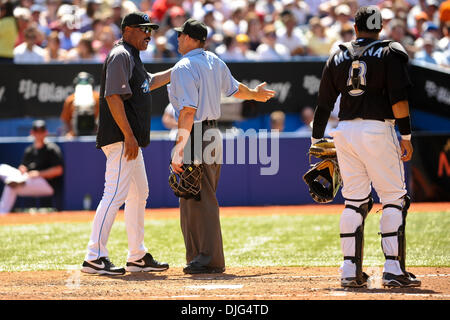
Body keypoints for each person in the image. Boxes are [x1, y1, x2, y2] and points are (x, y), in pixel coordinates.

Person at [311, 6, 421, 289]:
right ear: (380, 27)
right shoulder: (390, 51)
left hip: (344, 131)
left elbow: (323, 104)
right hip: (377, 128)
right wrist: (406, 135)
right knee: (395, 198)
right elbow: (398, 97)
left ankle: (349, 271)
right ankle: (394, 270)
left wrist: (315, 140)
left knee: (354, 201)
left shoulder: (337, 54)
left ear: (355, 27)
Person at [168, 18, 275, 274]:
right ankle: (197, 256)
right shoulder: (214, 60)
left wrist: (179, 147)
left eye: (182, 35)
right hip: (213, 133)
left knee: (200, 196)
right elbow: (234, 89)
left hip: (196, 132)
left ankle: (209, 258)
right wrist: (254, 94)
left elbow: (187, 111)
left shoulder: (184, 66)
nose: (179, 39)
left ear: (193, 39)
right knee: (191, 195)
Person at [81, 11, 173, 276]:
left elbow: (148, 83)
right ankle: (94, 257)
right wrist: (129, 135)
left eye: (151, 29)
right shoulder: (121, 54)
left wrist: (175, 71)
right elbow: (113, 97)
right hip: (123, 139)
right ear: (129, 29)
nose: (149, 34)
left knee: (138, 193)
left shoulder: (133, 56)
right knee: (114, 195)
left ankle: (137, 256)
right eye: (145, 29)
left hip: (128, 140)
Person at [0, 120, 64, 214]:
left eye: (41, 131)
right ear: (32, 132)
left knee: (12, 184)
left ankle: (2, 211)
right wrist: (22, 169)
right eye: (36, 131)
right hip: (27, 180)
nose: (38, 134)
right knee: (3, 169)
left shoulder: (52, 149)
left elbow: (58, 170)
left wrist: (38, 174)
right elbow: (24, 166)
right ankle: (2, 213)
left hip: (46, 184)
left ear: (46, 132)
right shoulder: (29, 150)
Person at [60, 72, 100, 137]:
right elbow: (66, 121)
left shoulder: (97, 98)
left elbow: (65, 121)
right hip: (76, 135)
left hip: (95, 135)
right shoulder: (70, 100)